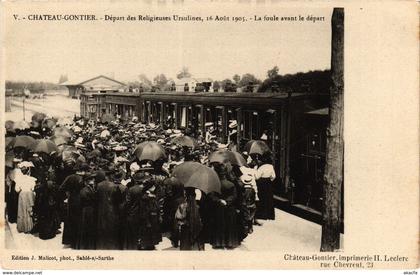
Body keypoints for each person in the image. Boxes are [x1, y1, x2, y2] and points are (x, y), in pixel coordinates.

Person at [210, 162, 240, 249]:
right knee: (229, 225)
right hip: (230, 208)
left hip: (218, 207)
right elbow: (234, 196)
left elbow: (211, 196)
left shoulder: (215, 184)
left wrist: (220, 200)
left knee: (219, 225)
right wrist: (227, 201)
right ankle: (230, 243)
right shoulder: (231, 184)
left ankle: (219, 243)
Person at [96, 169, 125, 250]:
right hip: (112, 211)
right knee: (112, 230)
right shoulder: (114, 186)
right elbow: (119, 201)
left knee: (102, 229)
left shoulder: (99, 185)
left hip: (101, 210)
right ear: (111, 176)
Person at [75, 172, 97, 249]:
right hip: (87, 211)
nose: (93, 180)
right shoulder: (85, 190)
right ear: (87, 181)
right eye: (92, 179)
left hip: (87, 211)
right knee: (87, 227)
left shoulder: (88, 189)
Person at [15, 162, 37, 233]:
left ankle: (23, 227)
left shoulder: (18, 179)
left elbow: (17, 189)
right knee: (29, 210)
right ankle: (30, 227)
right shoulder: (32, 179)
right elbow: (33, 189)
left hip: (22, 194)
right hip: (30, 194)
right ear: (28, 170)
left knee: (22, 210)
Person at [255, 152, 276, 220]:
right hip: (268, 183)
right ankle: (269, 214)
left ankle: (262, 214)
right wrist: (269, 180)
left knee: (262, 198)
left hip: (261, 183)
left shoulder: (261, 167)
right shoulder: (271, 166)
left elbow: (257, 177)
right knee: (269, 198)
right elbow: (273, 176)